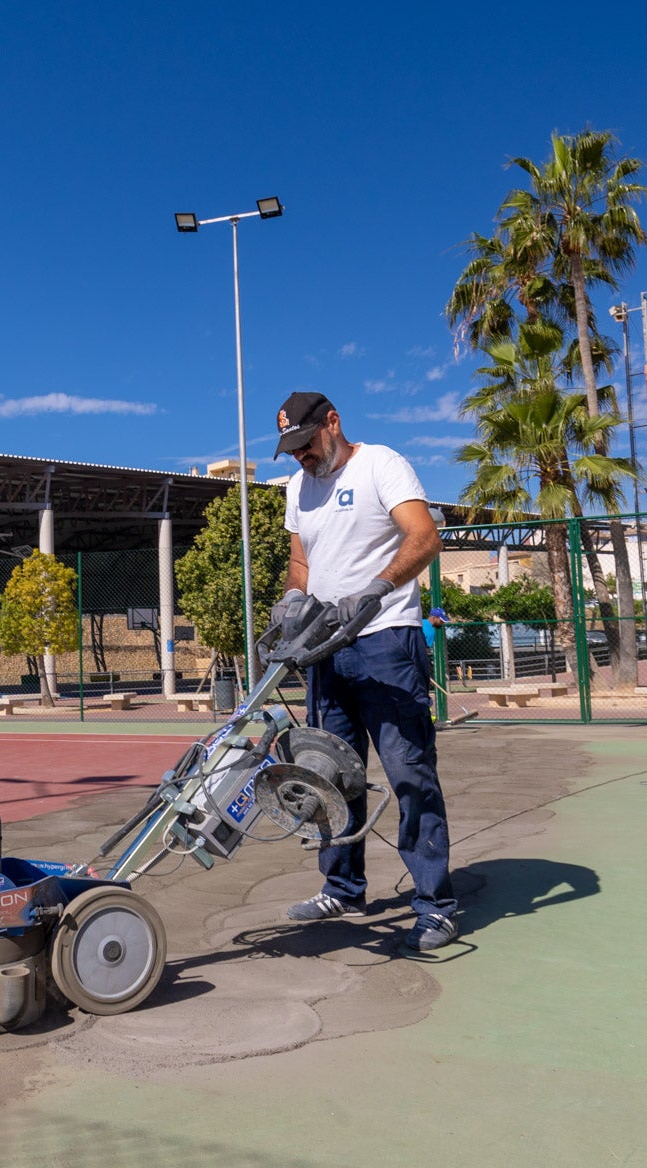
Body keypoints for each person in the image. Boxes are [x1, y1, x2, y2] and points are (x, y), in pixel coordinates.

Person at [269, 391, 457, 953]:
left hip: (385, 642)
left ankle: (435, 905)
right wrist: (292, 601)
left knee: (409, 772)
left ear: (333, 422)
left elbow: (424, 536)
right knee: (329, 772)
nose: (301, 455)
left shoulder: (382, 463)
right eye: (291, 448)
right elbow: (301, 561)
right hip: (324, 648)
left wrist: (378, 589)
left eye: (307, 442)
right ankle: (342, 886)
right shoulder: (298, 488)